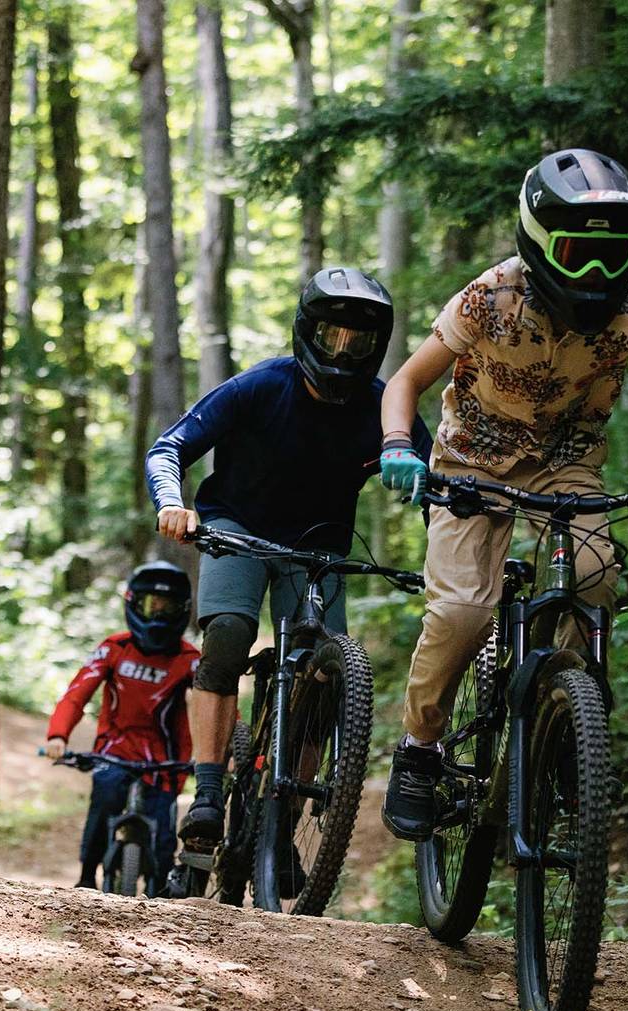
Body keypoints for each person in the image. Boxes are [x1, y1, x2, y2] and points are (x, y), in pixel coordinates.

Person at [376, 148, 628, 841]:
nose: (598, 272)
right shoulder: (488, 296)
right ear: (541, 239)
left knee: (595, 575)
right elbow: (405, 382)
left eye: (614, 254)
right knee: (461, 614)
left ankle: (567, 725)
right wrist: (398, 445)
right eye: (580, 252)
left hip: (566, 465)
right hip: (471, 464)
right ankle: (420, 748)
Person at [146, 266, 432, 857]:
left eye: (360, 341)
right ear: (307, 331)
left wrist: (449, 556)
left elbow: (438, 488)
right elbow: (170, 447)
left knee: (325, 678)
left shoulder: (385, 408)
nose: (345, 350)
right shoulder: (260, 386)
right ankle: (206, 794)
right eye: (332, 336)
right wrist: (173, 504)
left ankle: (284, 822)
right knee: (226, 634)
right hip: (237, 529)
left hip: (320, 549)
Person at [44, 561, 198, 893]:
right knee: (105, 797)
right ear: (133, 604)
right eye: (149, 605)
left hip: (167, 761)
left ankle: (159, 896)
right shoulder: (114, 648)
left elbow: (219, 706)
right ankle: (87, 875)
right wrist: (58, 735)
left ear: (182, 610)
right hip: (114, 751)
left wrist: (227, 753)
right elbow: (76, 694)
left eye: (167, 607)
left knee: (164, 838)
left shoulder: (190, 658)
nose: (157, 615)